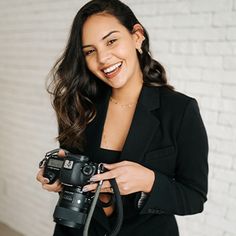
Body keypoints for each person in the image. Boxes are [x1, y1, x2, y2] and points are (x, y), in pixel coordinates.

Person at [36, 0, 209, 235]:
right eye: (90, 51)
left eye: (111, 41)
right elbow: (73, 173)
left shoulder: (180, 110)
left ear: (137, 36)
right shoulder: (77, 105)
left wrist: (148, 181)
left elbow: (194, 198)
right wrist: (58, 176)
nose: (103, 58)